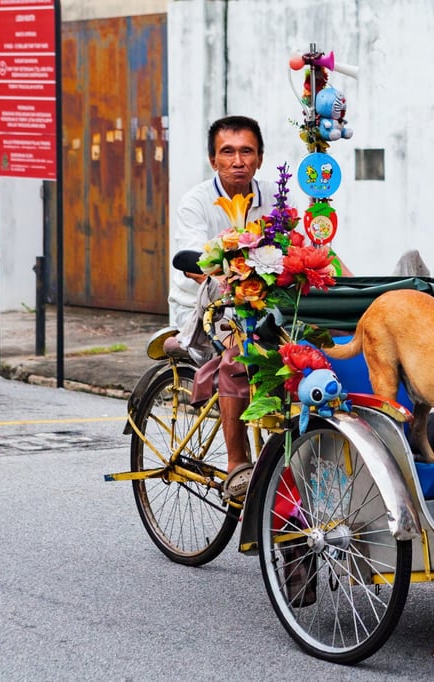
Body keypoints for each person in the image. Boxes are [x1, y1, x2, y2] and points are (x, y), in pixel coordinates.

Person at [169, 115, 268, 498]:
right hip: (204, 306)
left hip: (260, 302)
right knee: (238, 353)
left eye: (247, 151)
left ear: (259, 159)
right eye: (228, 152)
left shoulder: (274, 200)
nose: (238, 160)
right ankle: (236, 462)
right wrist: (224, 276)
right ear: (214, 160)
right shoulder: (196, 202)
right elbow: (192, 259)